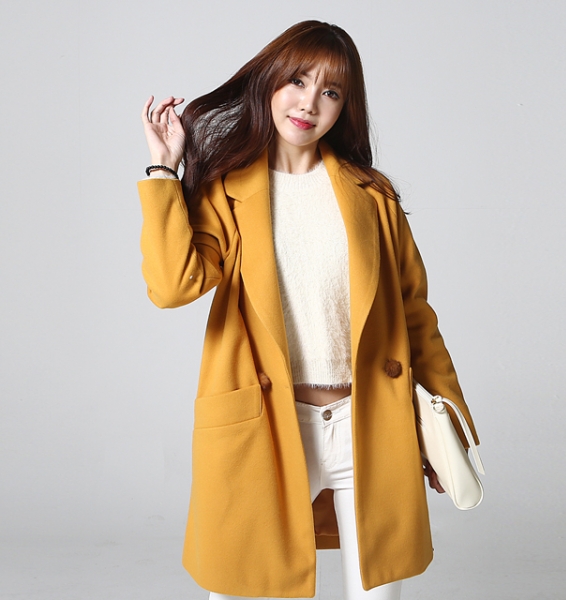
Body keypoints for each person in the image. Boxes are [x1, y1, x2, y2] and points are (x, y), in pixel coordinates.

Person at [138, 20, 479, 600]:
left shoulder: (372, 196)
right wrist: (164, 171)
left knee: (379, 586)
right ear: (269, 83)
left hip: (369, 422)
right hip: (266, 426)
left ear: (344, 108)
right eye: (297, 81)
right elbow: (173, 286)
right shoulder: (226, 192)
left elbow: (415, 315)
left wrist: (450, 423)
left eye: (330, 91)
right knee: (245, 583)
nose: (309, 103)